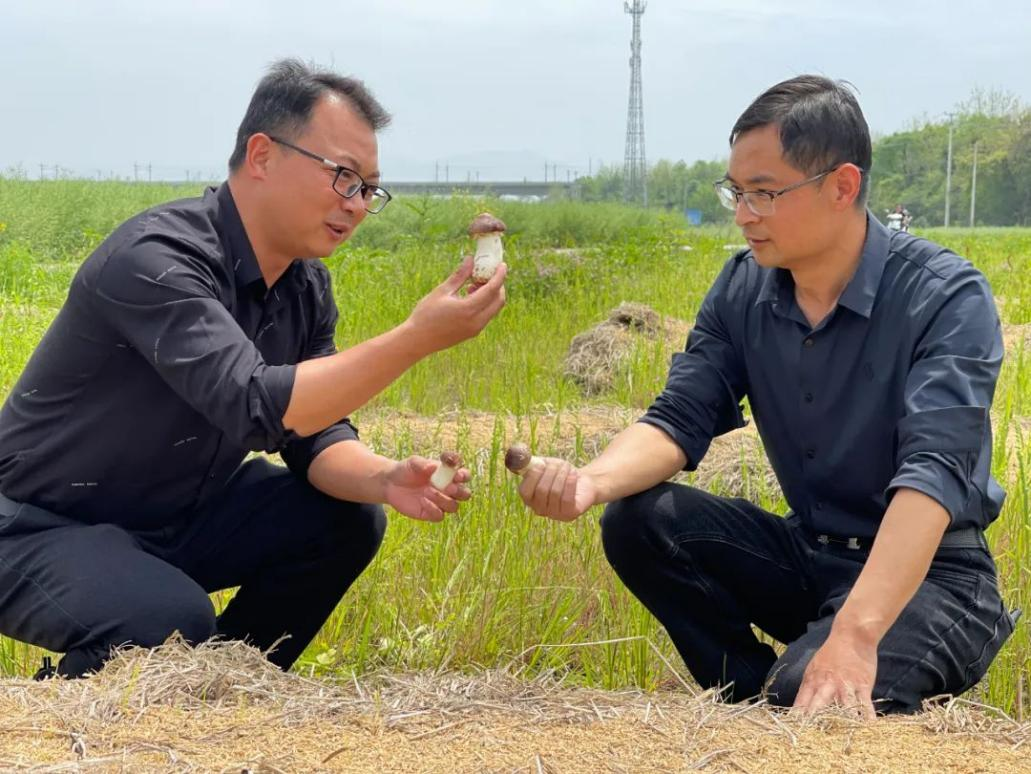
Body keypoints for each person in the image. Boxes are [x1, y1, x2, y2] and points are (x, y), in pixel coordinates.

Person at [514, 75, 1015, 716]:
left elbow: (935, 473)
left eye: (764, 193)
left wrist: (856, 635)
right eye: (736, 192)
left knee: (807, 691)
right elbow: (680, 416)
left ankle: (787, 694)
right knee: (638, 520)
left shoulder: (943, 297)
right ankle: (752, 704)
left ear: (842, 186)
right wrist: (590, 481)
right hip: (811, 554)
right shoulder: (743, 289)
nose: (743, 213)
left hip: (935, 577)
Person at [0, 59, 506, 679]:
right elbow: (255, 405)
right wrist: (413, 339)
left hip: (172, 518)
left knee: (345, 516)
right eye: (343, 177)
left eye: (369, 190)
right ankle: (73, 725)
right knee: (164, 620)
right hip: (33, 526)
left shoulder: (305, 287)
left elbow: (315, 434)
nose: (356, 205)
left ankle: (229, 695)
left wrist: (385, 478)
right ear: (262, 154)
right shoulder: (158, 258)